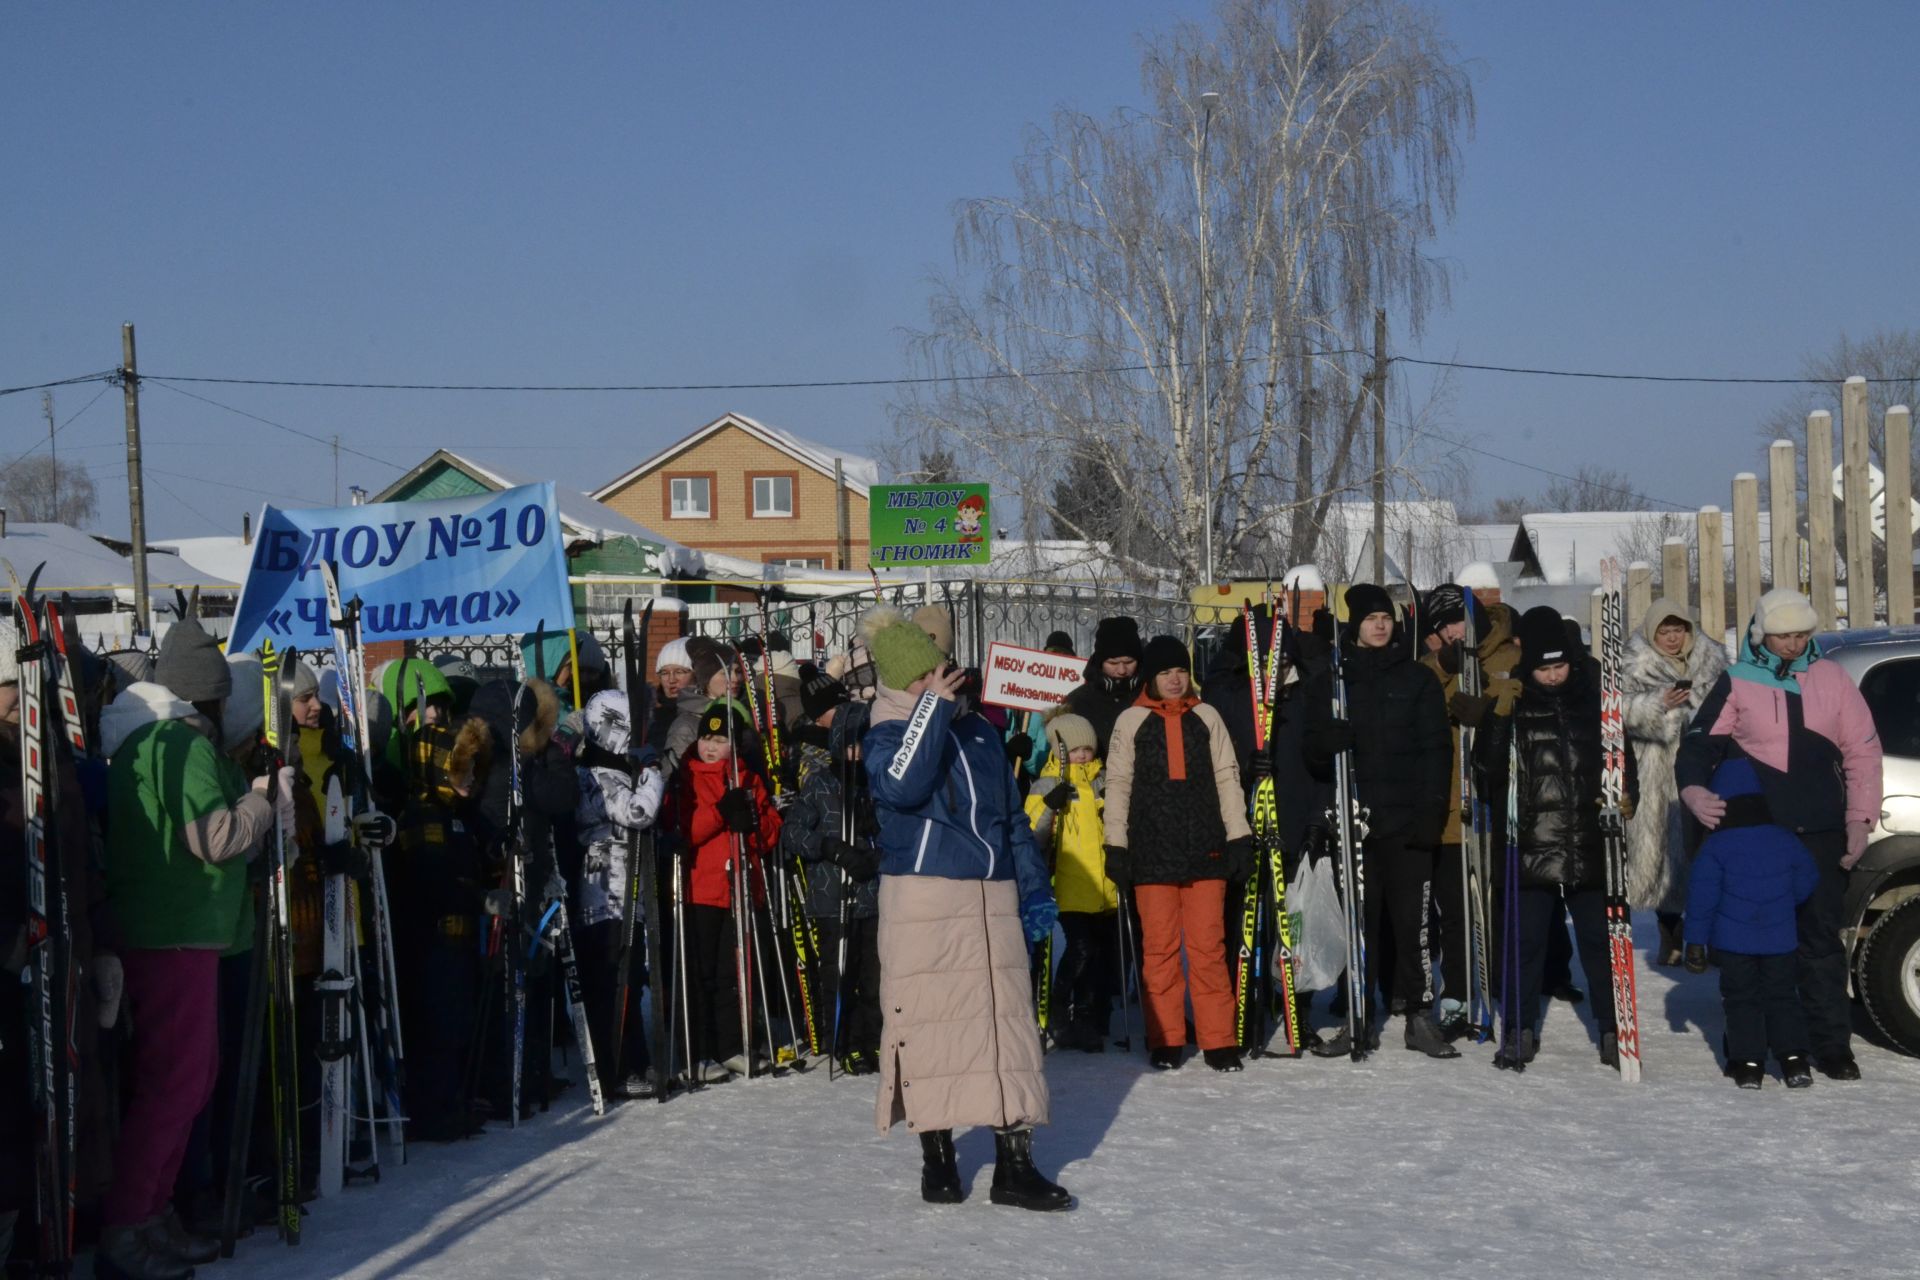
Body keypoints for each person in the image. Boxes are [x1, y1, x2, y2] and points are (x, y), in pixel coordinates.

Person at [860, 606, 1071, 1212]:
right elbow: (903, 786)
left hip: (993, 896)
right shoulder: (884, 731)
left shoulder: (978, 730)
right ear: (903, 682)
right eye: (924, 677)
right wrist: (932, 713)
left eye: (940, 671)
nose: (940, 681)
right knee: (931, 1031)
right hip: (924, 898)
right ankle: (939, 1160)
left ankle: (1015, 1165)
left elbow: (1006, 818)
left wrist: (1032, 889)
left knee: (1008, 1034)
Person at [97, 619, 288, 1279]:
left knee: (184, 1082)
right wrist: (263, 804)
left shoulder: (145, 745)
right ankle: (130, 1225)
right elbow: (213, 838)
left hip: (173, 930)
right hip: (178, 932)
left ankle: (150, 1216)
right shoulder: (182, 745)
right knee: (176, 1084)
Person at [1676, 588, 1882, 1082]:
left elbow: (1863, 751)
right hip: (1759, 834)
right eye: (1782, 634)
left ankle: (1829, 1044)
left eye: (1801, 634)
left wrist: (1860, 818)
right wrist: (1693, 789)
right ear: (1761, 635)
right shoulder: (1738, 681)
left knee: (1818, 940)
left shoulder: (1832, 679)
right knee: (1751, 941)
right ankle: (1750, 1044)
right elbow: (1700, 744)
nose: (1792, 644)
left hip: (1822, 830)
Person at [1476, 606, 1634, 1069]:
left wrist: (1627, 795)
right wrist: (1499, 715)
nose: (1551, 675)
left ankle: (1612, 1027)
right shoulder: (1514, 697)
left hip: (1590, 840)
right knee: (1524, 946)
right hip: (1529, 844)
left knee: (1600, 943)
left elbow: (1624, 758)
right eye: (1543, 668)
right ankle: (1519, 1027)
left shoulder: (1597, 699)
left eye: (1559, 665)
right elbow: (1485, 774)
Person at [1303, 585, 1456, 1058]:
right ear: (1355, 624)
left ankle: (1419, 1016)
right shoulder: (1332, 680)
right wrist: (1325, 743)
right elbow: (1310, 755)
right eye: (1370, 618)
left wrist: (1431, 814)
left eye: (1386, 618)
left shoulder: (1417, 679)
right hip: (1355, 826)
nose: (1380, 625)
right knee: (1360, 927)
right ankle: (1357, 1017)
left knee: (1415, 928)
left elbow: (1437, 751)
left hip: (1409, 825)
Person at [1103, 636, 1252, 1071]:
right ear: (1151, 676)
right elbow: (1117, 785)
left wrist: (1238, 835)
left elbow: (1227, 776)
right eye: (1166, 672)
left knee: (1208, 947)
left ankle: (1218, 1038)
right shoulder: (1131, 721)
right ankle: (1165, 1037)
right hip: (1151, 852)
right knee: (1160, 950)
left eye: (1181, 672)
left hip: (1206, 847)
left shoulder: (1207, 716)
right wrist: (1116, 844)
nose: (1174, 679)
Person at [1417, 584, 1521, 1038]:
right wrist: (1443, 674)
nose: (1455, 631)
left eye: (1460, 619)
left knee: (1499, 906)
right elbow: (1415, 718)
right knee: (1457, 910)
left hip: (1500, 809)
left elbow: (1525, 710)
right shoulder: (1429, 668)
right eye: (1444, 626)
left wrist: (1494, 716)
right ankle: (1458, 995)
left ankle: (1504, 987)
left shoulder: (1510, 656)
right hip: (1452, 810)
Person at [1681, 757, 1820, 1090]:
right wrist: (1786, 904)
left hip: (1734, 943)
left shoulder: (1716, 846)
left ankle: (1748, 1064)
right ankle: (1794, 1061)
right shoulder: (1785, 839)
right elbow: (1808, 877)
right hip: (1780, 939)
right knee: (1783, 996)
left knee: (1742, 999)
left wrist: (1695, 943)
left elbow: (1701, 900)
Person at [670, 699, 782, 1080]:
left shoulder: (748, 777)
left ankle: (733, 1045)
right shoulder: (688, 776)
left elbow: (769, 831)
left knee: (733, 973)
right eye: (706, 738)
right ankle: (697, 1052)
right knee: (700, 973)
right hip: (700, 889)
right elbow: (688, 828)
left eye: (719, 739)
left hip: (739, 887)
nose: (711, 746)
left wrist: (752, 825)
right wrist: (720, 811)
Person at [782, 668, 883, 1073]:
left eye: (864, 746)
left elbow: (899, 834)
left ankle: (875, 1040)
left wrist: (874, 857)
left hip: (873, 893)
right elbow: (792, 833)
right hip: (831, 894)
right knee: (839, 971)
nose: (857, 754)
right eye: (851, 746)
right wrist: (829, 848)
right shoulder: (822, 784)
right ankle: (841, 1040)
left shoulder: (878, 784)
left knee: (875, 977)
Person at [1620, 597, 1729, 966]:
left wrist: (1696, 704)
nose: (1671, 638)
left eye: (1677, 630)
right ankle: (1670, 930)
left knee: (1703, 850)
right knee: (1662, 853)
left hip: (1704, 769)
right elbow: (1615, 709)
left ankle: (1701, 933)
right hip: (1655, 772)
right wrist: (1658, 704)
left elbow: (1730, 705)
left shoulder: (1712, 659)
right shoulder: (1633, 661)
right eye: (1664, 631)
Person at [572, 687, 668, 1099]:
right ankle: (617, 1066)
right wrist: (654, 774)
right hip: (606, 894)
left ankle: (634, 1058)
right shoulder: (598, 773)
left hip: (623, 889)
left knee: (627, 978)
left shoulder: (611, 770)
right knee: (615, 982)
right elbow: (637, 812)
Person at [1023, 712, 1117, 1054]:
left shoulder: (1102, 780)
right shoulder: (1047, 783)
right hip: (1069, 882)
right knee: (1081, 949)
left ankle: (1088, 1018)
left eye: (1087, 749)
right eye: (1074, 749)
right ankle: (1060, 1008)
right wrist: (1050, 807)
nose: (1082, 755)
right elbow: (1032, 835)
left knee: (1097, 956)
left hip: (1103, 886)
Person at [1062, 616, 1145, 756]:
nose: (1122, 670)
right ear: (1100, 662)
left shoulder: (1151, 694)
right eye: (1113, 663)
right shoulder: (1078, 701)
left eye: (1129, 662)